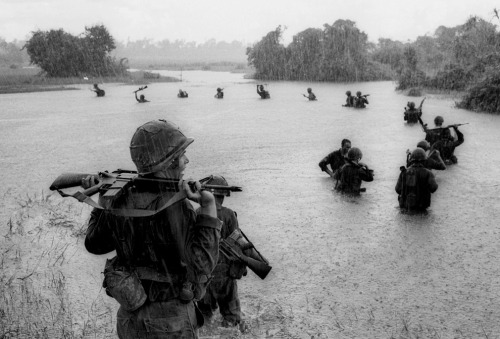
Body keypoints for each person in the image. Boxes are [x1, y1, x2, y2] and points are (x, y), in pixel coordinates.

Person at [84, 119, 222, 338]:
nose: (186, 161)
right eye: (181, 156)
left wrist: (103, 202)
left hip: (130, 317)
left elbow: (94, 244)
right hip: (171, 319)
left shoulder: (119, 197)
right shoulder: (176, 205)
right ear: (167, 163)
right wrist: (208, 206)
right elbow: (202, 263)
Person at [196, 175, 248, 331]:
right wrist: (241, 267)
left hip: (204, 273)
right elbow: (238, 242)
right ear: (223, 195)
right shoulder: (229, 214)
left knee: (204, 315)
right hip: (225, 273)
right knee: (231, 316)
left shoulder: (197, 212)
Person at [396, 148, 438, 213]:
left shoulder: (404, 172)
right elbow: (433, 188)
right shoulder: (428, 173)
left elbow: (398, 189)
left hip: (406, 207)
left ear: (411, 160)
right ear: (424, 160)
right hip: (421, 208)